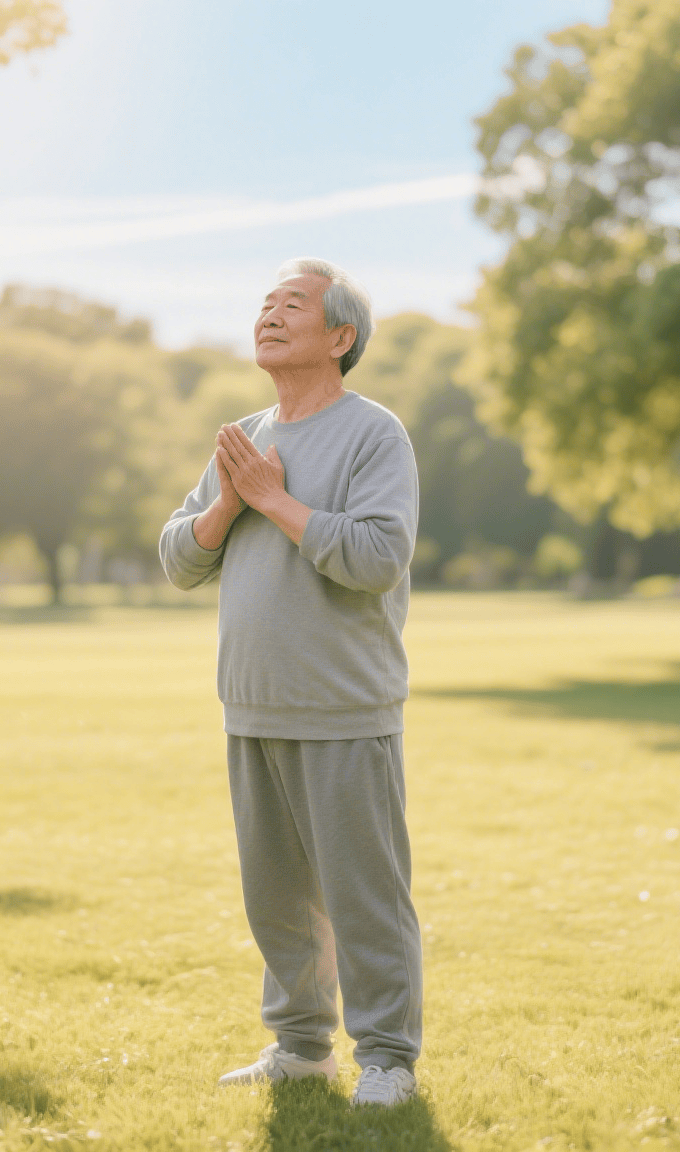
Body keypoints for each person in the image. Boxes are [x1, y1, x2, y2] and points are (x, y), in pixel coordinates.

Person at [158, 257, 423, 1108]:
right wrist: (228, 503)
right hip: (251, 706)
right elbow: (178, 559)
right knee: (275, 900)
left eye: (293, 305)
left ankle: (386, 1058)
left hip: (344, 708)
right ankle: (302, 1047)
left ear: (340, 337)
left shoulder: (374, 433)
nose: (269, 315)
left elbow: (379, 557)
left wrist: (272, 500)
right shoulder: (241, 436)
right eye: (265, 304)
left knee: (364, 898)